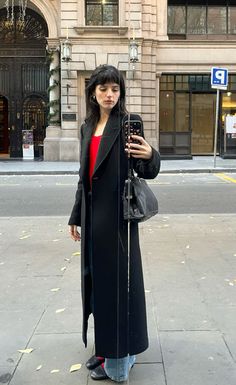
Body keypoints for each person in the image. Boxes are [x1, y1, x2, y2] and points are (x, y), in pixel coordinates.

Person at [68, 64, 161, 382]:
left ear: (120, 93)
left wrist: (150, 155)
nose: (109, 94)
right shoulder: (86, 126)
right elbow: (84, 178)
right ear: (93, 92)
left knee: (119, 288)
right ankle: (106, 348)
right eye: (103, 88)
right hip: (93, 220)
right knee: (96, 287)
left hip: (119, 222)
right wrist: (75, 216)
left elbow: (146, 171)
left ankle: (121, 353)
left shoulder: (128, 123)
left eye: (115, 89)